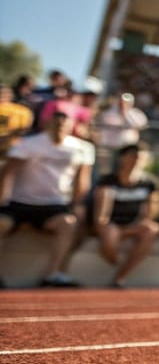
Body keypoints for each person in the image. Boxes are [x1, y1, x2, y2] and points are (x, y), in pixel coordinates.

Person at [0, 110, 93, 286]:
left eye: (64, 123)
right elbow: (7, 173)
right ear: (47, 124)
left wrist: (77, 205)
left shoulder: (83, 148)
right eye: (56, 122)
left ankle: (53, 274)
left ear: (71, 126)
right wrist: (2, 200)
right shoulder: (28, 144)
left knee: (69, 224)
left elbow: (82, 181)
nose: (60, 126)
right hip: (19, 203)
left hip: (54, 206)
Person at [86, 142, 159, 287]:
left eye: (140, 157)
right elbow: (101, 216)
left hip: (133, 225)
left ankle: (121, 277)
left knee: (152, 230)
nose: (136, 161)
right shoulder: (107, 181)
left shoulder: (150, 183)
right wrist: (108, 229)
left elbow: (151, 212)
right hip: (111, 225)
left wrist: (140, 223)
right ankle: (117, 264)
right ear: (122, 158)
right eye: (133, 156)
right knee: (110, 236)